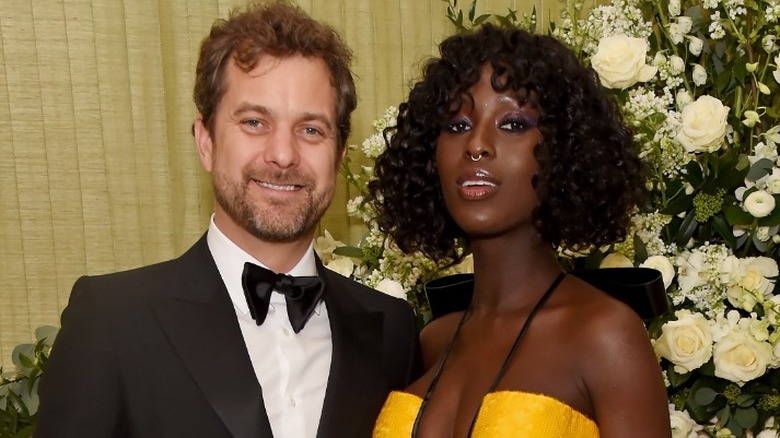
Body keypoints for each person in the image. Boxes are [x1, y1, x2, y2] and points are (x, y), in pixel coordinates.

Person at [36, 2, 420, 437]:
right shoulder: (113, 320)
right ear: (206, 142)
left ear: (339, 155)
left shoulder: (393, 329)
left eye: (311, 129)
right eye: (254, 122)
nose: (282, 154)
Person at [368, 24, 671, 437]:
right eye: (455, 126)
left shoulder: (605, 334)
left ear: (565, 151)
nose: (476, 144)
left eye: (512, 124)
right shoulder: (434, 340)